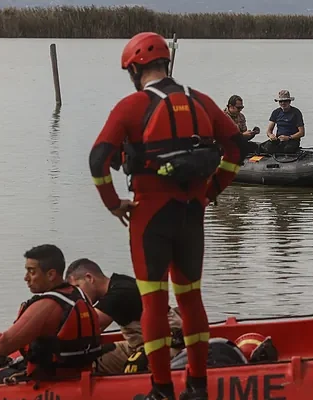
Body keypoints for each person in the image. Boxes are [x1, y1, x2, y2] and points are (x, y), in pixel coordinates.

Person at [88, 31, 247, 400]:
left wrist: (113, 203)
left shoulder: (130, 107)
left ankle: (161, 390)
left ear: (134, 68)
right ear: (166, 63)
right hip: (192, 216)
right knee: (191, 300)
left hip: (149, 218)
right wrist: (213, 190)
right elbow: (236, 149)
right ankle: (197, 387)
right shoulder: (202, 102)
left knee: (154, 304)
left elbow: (98, 160)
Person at [0, 244, 101, 384]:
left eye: (31, 271)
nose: (26, 278)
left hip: (50, 382)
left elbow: (3, 345)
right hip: (79, 375)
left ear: (51, 274)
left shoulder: (47, 306)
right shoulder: (78, 294)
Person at [64, 258, 183, 374]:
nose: (79, 296)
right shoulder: (117, 284)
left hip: (168, 344)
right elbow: (96, 330)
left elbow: (85, 323)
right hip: (142, 344)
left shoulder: (119, 293)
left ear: (89, 278)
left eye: (78, 288)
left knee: (133, 366)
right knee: (95, 356)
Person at [261, 89, 305, 154]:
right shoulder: (276, 112)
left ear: (289, 101)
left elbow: (301, 133)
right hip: (279, 139)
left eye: (285, 101)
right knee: (266, 148)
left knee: (287, 149)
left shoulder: (296, 113)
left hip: (292, 140)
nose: (283, 103)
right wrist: (271, 135)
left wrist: (289, 137)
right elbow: (269, 131)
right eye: (281, 101)